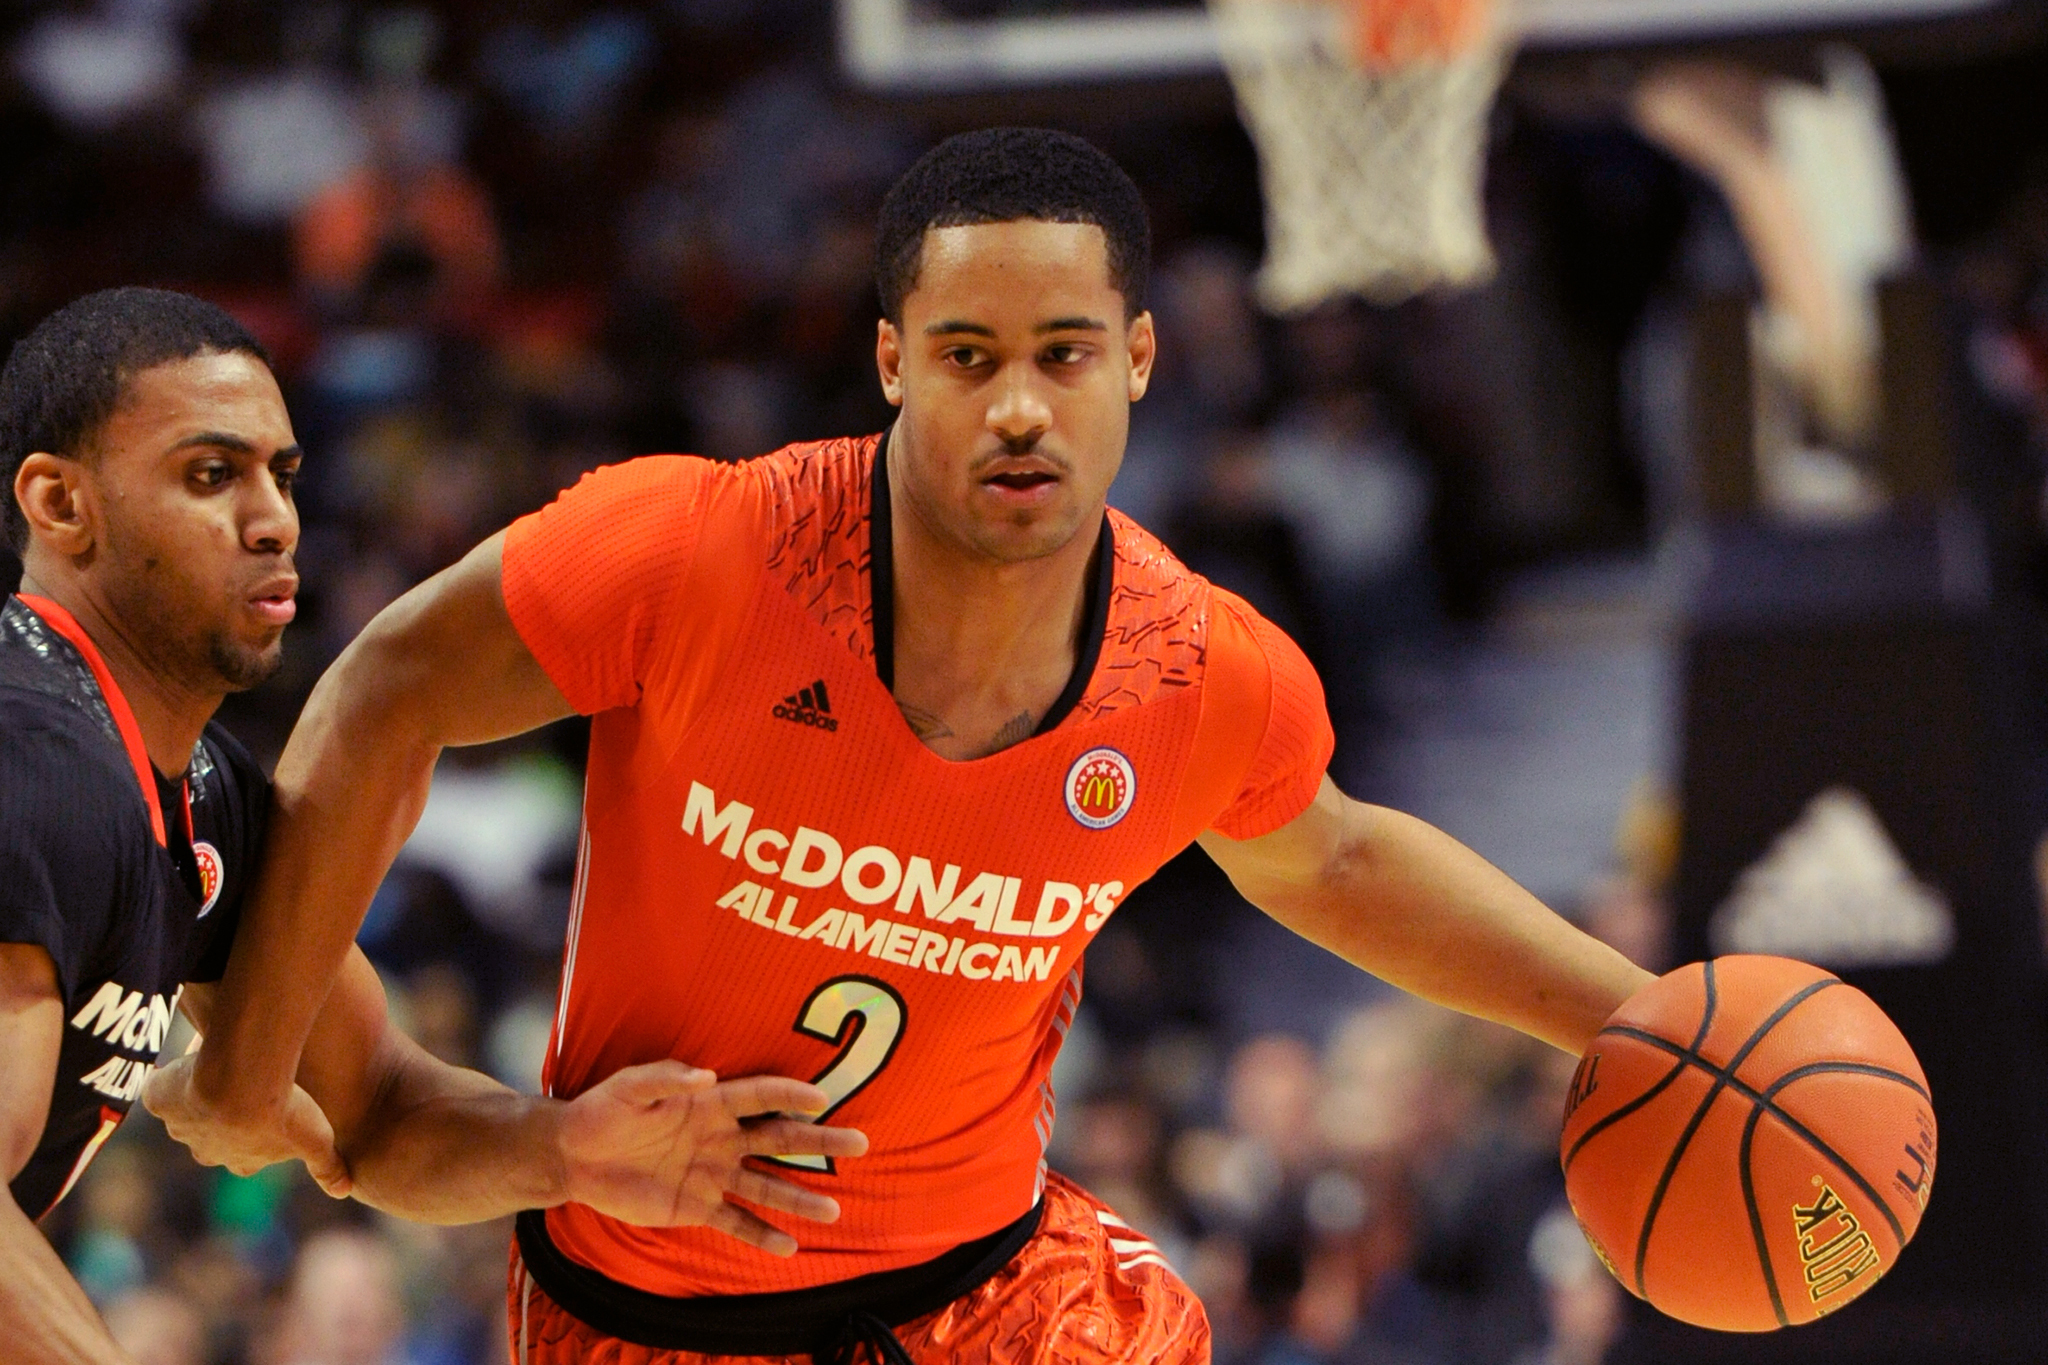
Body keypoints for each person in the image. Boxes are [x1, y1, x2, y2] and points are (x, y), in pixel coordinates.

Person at [150, 130, 1654, 1364]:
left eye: (1064, 355)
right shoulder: (696, 550)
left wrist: (1644, 1023)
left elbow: (1335, 855)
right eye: (966, 354)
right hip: (651, 1315)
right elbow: (380, 692)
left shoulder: (1203, 670)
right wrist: (250, 1063)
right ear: (890, 360)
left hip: (1008, 1299)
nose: (1016, 406)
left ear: (1138, 358)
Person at [0, 289, 865, 1365]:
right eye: (210, 475)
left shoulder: (204, 791)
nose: (272, 520)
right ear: (59, 504)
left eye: (283, 474)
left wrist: (568, 1154)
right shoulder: (32, 762)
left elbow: (373, 1115)